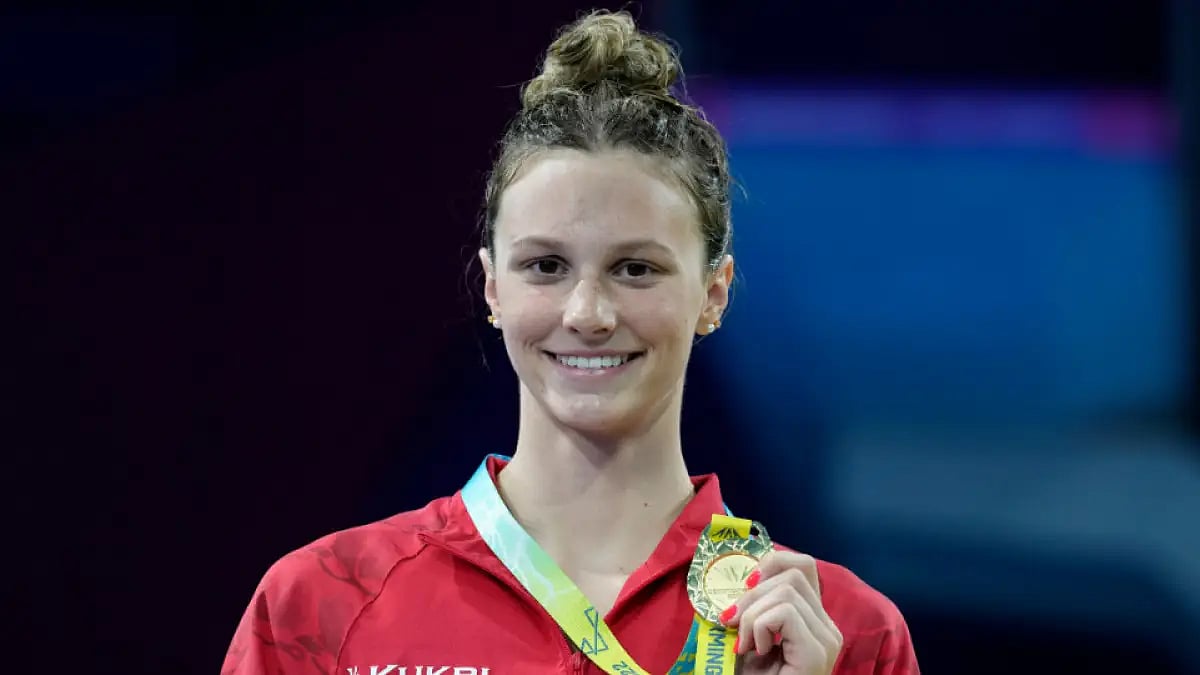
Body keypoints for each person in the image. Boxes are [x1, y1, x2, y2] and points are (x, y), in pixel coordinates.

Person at [222, 9, 919, 675]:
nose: (588, 312)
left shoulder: (840, 631)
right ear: (494, 288)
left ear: (714, 293)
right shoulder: (320, 604)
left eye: (635, 269)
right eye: (546, 266)